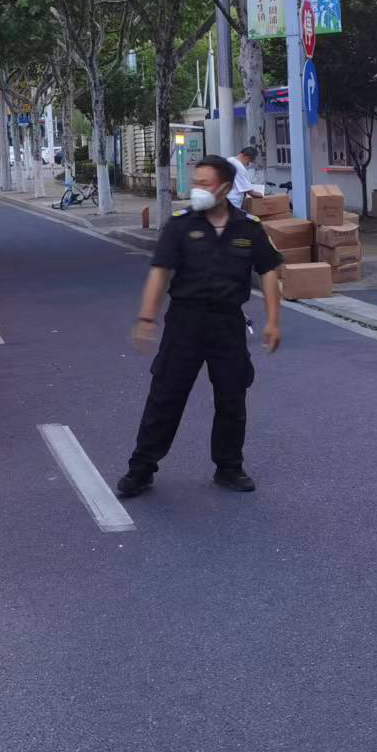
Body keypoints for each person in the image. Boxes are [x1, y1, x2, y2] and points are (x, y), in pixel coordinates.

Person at [117, 155, 283, 498]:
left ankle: (229, 467)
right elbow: (160, 272)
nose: (198, 188)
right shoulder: (180, 225)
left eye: (205, 183)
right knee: (166, 397)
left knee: (232, 397)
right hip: (185, 323)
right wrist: (147, 318)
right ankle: (141, 469)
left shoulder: (248, 227)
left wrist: (272, 322)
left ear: (225, 188)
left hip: (228, 324)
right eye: (196, 182)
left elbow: (269, 271)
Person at [226, 144, 266, 209]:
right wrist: (262, 195)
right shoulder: (239, 167)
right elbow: (250, 192)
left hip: (224, 199)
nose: (248, 165)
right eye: (249, 162)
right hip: (233, 201)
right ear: (246, 157)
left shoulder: (229, 160)